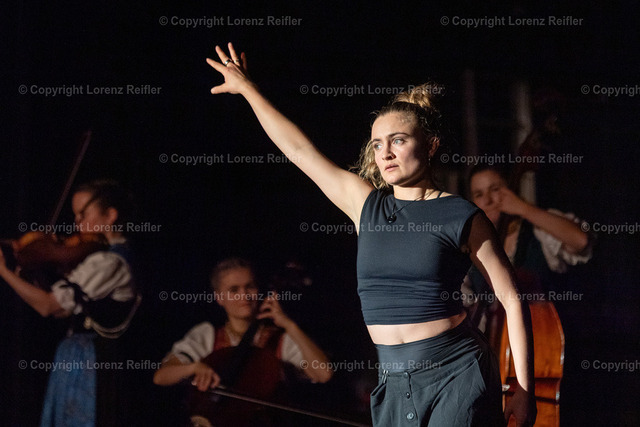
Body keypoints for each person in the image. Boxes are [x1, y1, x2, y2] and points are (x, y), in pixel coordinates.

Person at [202, 43, 536, 426]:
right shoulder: (366, 205)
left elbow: (512, 299)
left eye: (398, 140)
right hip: (393, 377)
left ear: (431, 145)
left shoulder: (460, 215)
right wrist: (248, 90)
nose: (385, 153)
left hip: (455, 370)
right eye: (378, 144)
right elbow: (299, 150)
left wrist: (524, 390)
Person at [0, 179, 140, 426]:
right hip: (76, 356)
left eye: (83, 214)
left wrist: (3, 271)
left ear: (110, 216)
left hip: (95, 363)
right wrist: (32, 272)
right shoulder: (93, 258)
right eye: (75, 215)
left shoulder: (111, 263)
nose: (77, 223)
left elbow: (49, 306)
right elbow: (60, 309)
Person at [153, 257, 333, 424]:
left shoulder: (279, 339)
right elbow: (161, 377)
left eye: (250, 287)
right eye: (234, 290)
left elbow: (323, 373)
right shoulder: (206, 335)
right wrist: (193, 368)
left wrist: (290, 325)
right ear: (219, 298)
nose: (244, 295)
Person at [465, 165, 592, 326]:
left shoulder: (537, 229)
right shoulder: (470, 247)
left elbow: (580, 240)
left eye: (495, 189)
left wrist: (523, 208)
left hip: (545, 332)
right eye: (479, 194)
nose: (488, 200)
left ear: (511, 190)